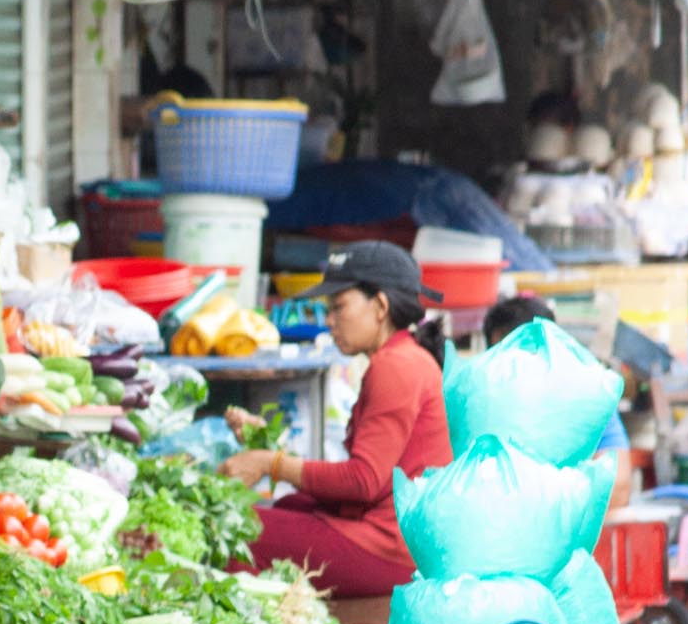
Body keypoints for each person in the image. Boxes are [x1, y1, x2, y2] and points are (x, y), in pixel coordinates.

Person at [220, 242, 453, 596]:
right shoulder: (403, 358)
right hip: (398, 537)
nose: (329, 320)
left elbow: (362, 482)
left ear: (380, 306)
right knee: (287, 506)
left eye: (339, 307)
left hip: (392, 548)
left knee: (236, 529)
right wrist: (269, 446)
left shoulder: (397, 367)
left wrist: (273, 463)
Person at [483, 295, 634, 512]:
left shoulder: (589, 399)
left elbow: (618, 489)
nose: (520, 370)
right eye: (507, 359)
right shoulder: (483, 409)